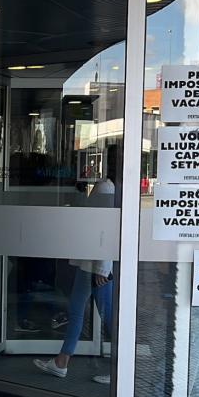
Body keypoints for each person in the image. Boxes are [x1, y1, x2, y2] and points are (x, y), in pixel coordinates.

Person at [35, 157, 116, 384]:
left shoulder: (106, 187)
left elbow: (105, 229)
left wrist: (103, 267)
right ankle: (62, 362)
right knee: (76, 309)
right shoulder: (102, 186)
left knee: (108, 315)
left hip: (96, 266)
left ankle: (121, 369)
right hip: (89, 263)